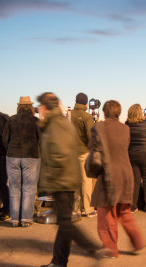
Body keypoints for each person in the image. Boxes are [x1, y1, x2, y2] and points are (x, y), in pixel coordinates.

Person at [37, 92, 107, 267]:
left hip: (62, 180)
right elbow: (90, 138)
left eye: (40, 106)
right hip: (69, 173)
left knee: (65, 223)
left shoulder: (59, 123)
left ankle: (92, 249)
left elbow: (59, 154)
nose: (38, 109)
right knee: (64, 223)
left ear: (45, 107)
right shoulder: (64, 121)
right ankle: (58, 262)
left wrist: (52, 179)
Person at [89, 100, 146, 258]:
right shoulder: (125, 129)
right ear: (119, 112)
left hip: (109, 172)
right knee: (123, 211)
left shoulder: (98, 128)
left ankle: (110, 248)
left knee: (105, 214)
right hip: (125, 172)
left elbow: (93, 149)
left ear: (104, 111)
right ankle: (137, 240)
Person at [2, 96, 40, 227]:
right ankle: (26, 219)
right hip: (31, 156)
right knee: (29, 189)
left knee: (14, 188)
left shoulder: (11, 120)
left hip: (12, 155)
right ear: (30, 107)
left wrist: (11, 149)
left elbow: (4, 139)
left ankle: (14, 219)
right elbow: (41, 139)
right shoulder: (35, 120)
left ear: (18, 107)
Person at [70, 93, 96, 217]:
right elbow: (91, 136)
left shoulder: (68, 115)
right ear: (86, 103)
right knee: (86, 180)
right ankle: (88, 208)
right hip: (83, 151)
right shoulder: (87, 116)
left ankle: (75, 209)